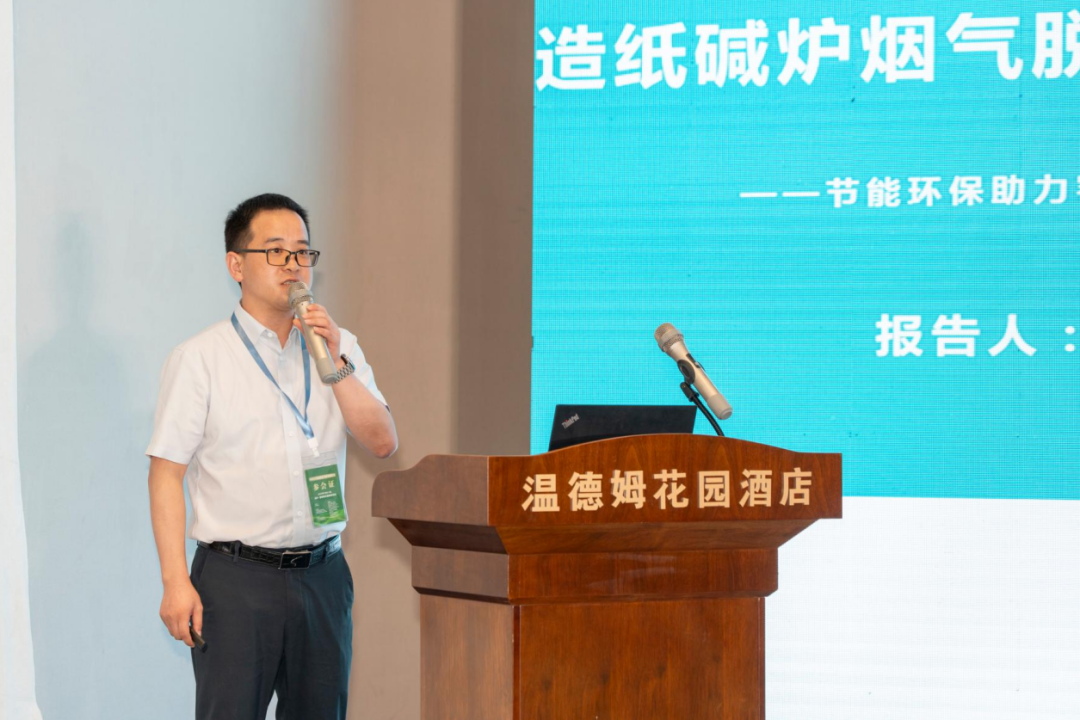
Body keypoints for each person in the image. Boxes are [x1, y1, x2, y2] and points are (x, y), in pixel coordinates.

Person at [146, 193, 397, 720]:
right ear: (236, 265)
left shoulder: (339, 345)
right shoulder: (200, 358)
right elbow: (166, 473)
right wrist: (174, 581)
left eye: (303, 252)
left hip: (323, 576)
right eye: (276, 251)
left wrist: (335, 360)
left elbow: (382, 441)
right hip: (236, 581)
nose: (293, 265)